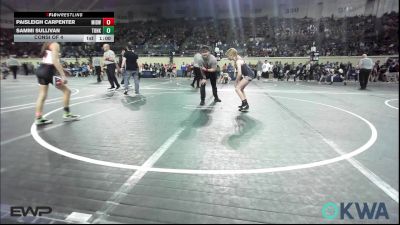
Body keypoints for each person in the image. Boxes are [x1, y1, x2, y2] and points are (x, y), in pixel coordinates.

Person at [34, 42, 79, 125]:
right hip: (48, 72)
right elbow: (54, 60)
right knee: (67, 91)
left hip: (41, 70)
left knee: (42, 95)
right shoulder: (55, 44)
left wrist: (63, 69)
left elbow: (50, 61)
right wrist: (63, 75)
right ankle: (67, 114)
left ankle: (38, 118)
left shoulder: (46, 45)